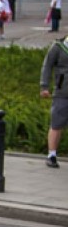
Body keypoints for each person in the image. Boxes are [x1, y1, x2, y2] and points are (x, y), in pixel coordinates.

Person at [40, 38, 68, 168]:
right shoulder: (58, 47)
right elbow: (47, 66)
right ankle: (51, 155)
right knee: (56, 124)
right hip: (62, 93)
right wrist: (44, 86)